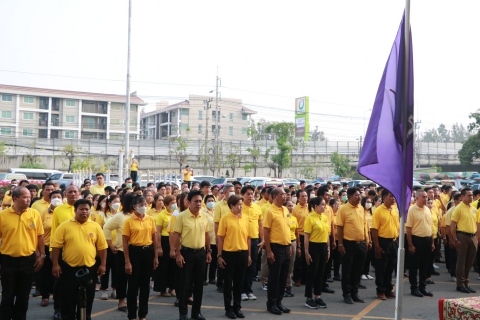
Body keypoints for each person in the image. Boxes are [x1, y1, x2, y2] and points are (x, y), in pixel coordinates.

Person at [50, 199, 107, 320]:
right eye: (81, 209)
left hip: (89, 269)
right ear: (75, 210)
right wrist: (55, 264)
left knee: (87, 300)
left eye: (87, 209)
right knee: (68, 301)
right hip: (69, 269)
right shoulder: (64, 226)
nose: (85, 212)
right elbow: (56, 247)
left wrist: (103, 265)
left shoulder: (95, 226)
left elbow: (102, 248)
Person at [0, 186, 45, 320]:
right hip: (8, 260)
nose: (28, 200)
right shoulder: (3, 216)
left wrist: (41, 255)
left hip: (28, 260)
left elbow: (40, 236)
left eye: (29, 197)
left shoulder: (34, 214)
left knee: (23, 297)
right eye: (25, 197)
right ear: (15, 199)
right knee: (7, 296)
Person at [173, 190, 213, 320]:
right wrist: (178, 254)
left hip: (200, 253)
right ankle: (183, 313)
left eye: (200, 201)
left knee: (199, 285)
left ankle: (196, 312)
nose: (198, 204)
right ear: (188, 202)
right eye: (195, 201)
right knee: (185, 284)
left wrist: (208, 251)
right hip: (186, 253)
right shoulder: (181, 216)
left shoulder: (204, 216)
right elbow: (176, 236)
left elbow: (207, 235)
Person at [123, 195, 158, 320]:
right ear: (134, 207)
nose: (143, 207)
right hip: (134, 253)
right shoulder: (129, 221)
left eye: (145, 204)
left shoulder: (150, 219)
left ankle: (143, 315)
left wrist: (155, 257)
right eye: (140, 205)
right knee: (133, 285)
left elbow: (154, 239)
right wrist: (127, 261)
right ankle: (132, 315)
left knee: (145, 286)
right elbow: (125, 243)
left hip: (148, 252)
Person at [217, 195, 251, 319]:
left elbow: (248, 238)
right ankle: (228, 308)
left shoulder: (245, 218)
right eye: (238, 205)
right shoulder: (225, 219)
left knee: (239, 282)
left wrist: (248, 255)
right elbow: (220, 238)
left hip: (242, 253)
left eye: (242, 205)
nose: (241, 207)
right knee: (228, 283)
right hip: (229, 254)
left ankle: (237, 307)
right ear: (232, 206)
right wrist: (219, 255)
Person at [50, 185, 81, 320]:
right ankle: (58, 308)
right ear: (65, 194)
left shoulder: (86, 208)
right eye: (70, 192)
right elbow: (54, 232)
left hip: (80, 253)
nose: (73, 194)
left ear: (79, 193)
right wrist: (53, 253)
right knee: (60, 283)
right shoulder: (59, 210)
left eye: (75, 192)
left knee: (79, 284)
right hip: (63, 253)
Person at [336, 187, 370, 304]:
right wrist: (340, 244)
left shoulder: (361, 208)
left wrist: (367, 240)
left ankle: (355, 293)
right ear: (350, 197)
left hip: (361, 244)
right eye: (356, 195)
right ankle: (347, 293)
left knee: (358, 270)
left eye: (360, 195)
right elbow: (339, 227)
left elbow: (365, 226)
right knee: (347, 270)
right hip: (348, 244)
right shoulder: (343, 209)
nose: (359, 197)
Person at [103, 193, 135, 312]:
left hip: (137, 251)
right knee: (121, 277)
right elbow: (106, 227)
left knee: (135, 279)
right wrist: (110, 244)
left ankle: (132, 300)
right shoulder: (121, 216)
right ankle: (121, 300)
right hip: (122, 251)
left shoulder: (141, 216)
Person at [263, 187, 291, 315]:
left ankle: (279, 302)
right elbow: (266, 232)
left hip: (286, 247)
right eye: (282, 194)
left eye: (285, 194)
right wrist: (269, 251)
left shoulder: (285, 210)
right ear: (274, 196)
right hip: (275, 247)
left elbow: (287, 229)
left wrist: (289, 245)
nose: (285, 196)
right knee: (274, 277)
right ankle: (271, 303)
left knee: (283, 277)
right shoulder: (270, 211)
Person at [37, 190, 63, 307]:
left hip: (62, 248)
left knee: (59, 274)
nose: (56, 198)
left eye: (59, 196)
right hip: (47, 246)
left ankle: (58, 297)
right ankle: (45, 296)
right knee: (45, 273)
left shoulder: (65, 212)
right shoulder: (43, 213)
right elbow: (39, 232)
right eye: (54, 196)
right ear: (50, 199)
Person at [371, 189, 399, 300]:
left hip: (393, 242)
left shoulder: (394, 210)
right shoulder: (378, 211)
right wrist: (377, 246)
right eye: (390, 196)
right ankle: (380, 290)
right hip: (382, 242)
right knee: (381, 267)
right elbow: (374, 230)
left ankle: (388, 289)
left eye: (393, 196)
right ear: (384, 198)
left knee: (390, 267)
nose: (393, 198)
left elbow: (397, 227)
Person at [406, 189, 434, 297]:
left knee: (425, 265)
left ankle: (423, 287)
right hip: (417, 240)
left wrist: (432, 243)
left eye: (426, 196)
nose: (425, 199)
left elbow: (430, 227)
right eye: (423, 197)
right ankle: (414, 287)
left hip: (427, 239)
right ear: (416, 198)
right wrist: (410, 244)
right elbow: (408, 229)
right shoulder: (412, 210)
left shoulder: (427, 209)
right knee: (414, 265)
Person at [303, 197, 330, 309]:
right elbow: (306, 236)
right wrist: (306, 251)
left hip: (323, 246)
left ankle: (317, 296)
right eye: (322, 205)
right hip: (313, 247)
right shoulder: (310, 218)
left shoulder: (324, 217)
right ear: (316, 206)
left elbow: (327, 234)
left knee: (321, 273)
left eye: (324, 204)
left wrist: (328, 249)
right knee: (312, 273)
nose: (324, 206)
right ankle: (309, 298)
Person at [451, 188, 477, 294]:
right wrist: (455, 239)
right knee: (461, 261)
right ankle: (460, 284)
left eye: (471, 195)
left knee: (469, 261)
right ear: (462, 197)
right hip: (462, 236)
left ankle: (466, 283)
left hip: (473, 236)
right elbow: (453, 225)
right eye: (468, 195)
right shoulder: (458, 208)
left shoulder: (473, 208)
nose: (471, 197)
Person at [241, 185, 263, 301]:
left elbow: (260, 225)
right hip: (242, 240)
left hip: (255, 240)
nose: (250, 196)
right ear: (242, 195)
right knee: (243, 265)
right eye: (248, 194)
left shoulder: (257, 207)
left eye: (252, 194)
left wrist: (262, 239)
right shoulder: (239, 207)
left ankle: (249, 290)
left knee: (252, 267)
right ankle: (241, 290)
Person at [214, 184, 235, 293]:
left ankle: (229, 282)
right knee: (221, 259)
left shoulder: (235, 204)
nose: (233, 192)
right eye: (231, 191)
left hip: (233, 237)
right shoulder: (219, 206)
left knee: (230, 262)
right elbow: (216, 223)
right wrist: (218, 237)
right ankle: (220, 283)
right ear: (225, 193)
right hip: (223, 236)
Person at [155, 195, 177, 296]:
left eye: (175, 202)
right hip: (164, 241)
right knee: (163, 266)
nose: (174, 204)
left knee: (174, 266)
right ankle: (162, 289)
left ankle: (172, 288)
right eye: (172, 203)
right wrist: (159, 247)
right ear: (167, 204)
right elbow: (157, 232)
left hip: (174, 240)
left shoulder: (176, 214)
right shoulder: (161, 215)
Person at [292, 189, 309, 287]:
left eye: (306, 196)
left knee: (307, 258)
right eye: (302, 196)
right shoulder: (295, 209)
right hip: (300, 235)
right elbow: (295, 225)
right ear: (298, 198)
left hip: (309, 235)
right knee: (299, 258)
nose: (305, 198)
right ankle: (297, 278)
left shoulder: (309, 207)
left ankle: (304, 277)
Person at [284, 199, 299, 297]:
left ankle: (288, 285)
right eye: (289, 205)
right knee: (284, 265)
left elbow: (297, 233)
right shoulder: (283, 217)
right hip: (285, 243)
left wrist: (299, 246)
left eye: (292, 205)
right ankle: (283, 286)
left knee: (291, 265)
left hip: (293, 242)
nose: (291, 207)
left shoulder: (294, 218)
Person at [203, 195, 218, 285]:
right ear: (205, 203)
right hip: (206, 240)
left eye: (212, 200)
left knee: (214, 261)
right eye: (209, 201)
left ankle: (212, 278)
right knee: (205, 261)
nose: (211, 202)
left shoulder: (216, 212)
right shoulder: (203, 213)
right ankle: (203, 278)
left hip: (215, 240)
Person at [361, 196, 375, 281]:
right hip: (364, 233)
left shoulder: (372, 212)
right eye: (367, 202)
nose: (369, 203)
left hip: (371, 233)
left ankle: (366, 272)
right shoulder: (361, 211)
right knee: (364, 255)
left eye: (370, 202)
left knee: (369, 255)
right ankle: (362, 272)